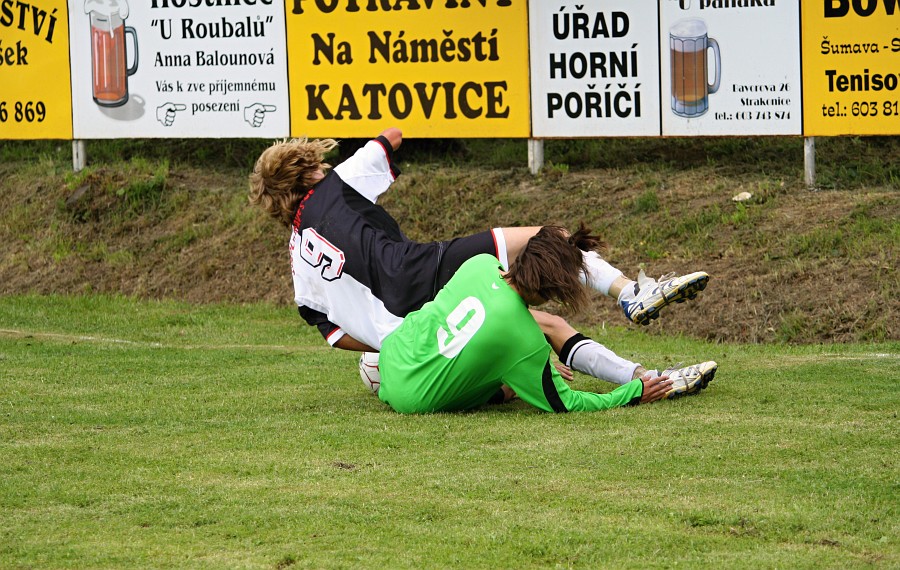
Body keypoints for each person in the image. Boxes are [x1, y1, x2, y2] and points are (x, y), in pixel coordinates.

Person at [248, 128, 709, 361]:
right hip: (419, 270)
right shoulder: (337, 182)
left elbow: (333, 335)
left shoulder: (298, 267)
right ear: (308, 170)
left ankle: (628, 370)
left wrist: (385, 346)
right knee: (549, 238)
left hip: (410, 336)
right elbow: (391, 137)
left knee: (538, 321)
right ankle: (630, 293)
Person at [377, 226, 717, 414]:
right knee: (521, 361)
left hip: (392, 355)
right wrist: (631, 394)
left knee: (504, 368)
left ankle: (513, 385)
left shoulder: (478, 265)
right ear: (554, 289)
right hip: (411, 398)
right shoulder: (524, 340)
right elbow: (567, 402)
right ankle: (644, 375)